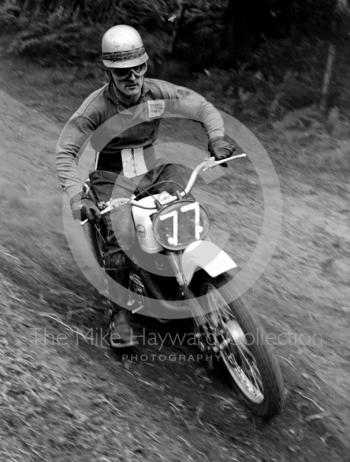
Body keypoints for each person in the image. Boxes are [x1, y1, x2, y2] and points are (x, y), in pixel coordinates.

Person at [56, 24, 234, 348]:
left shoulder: (157, 92)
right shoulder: (95, 107)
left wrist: (217, 137)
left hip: (152, 168)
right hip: (111, 176)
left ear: (145, 65)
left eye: (139, 68)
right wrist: (74, 196)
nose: (133, 78)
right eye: (123, 71)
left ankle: (192, 277)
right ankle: (120, 313)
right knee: (118, 232)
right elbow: (66, 151)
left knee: (185, 205)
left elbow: (202, 106)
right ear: (109, 71)